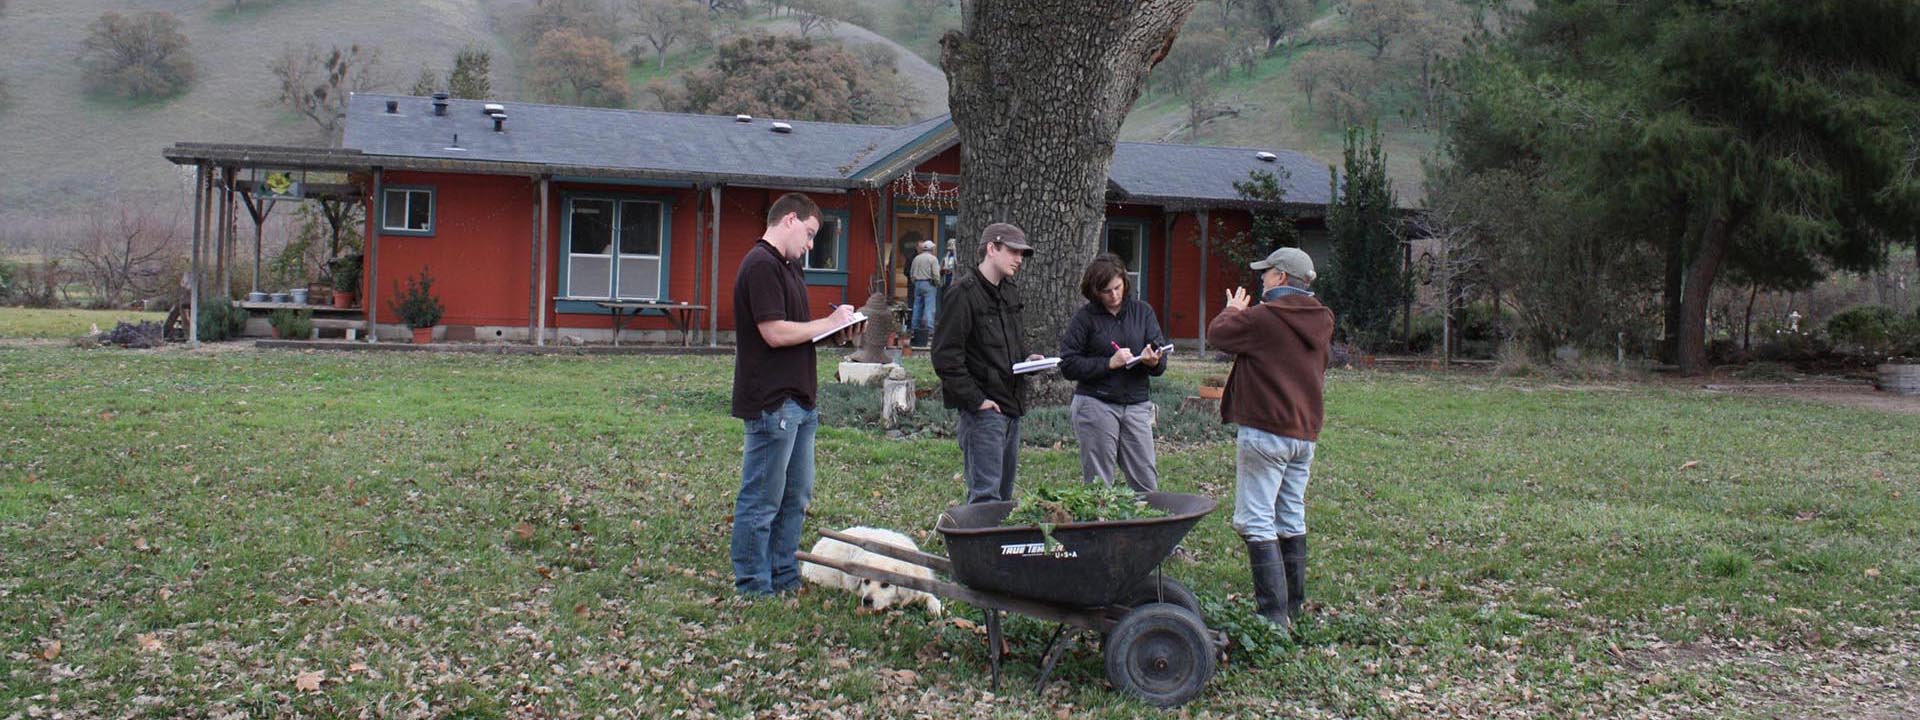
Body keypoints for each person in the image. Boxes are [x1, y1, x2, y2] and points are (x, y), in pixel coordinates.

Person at [729, 192, 859, 597]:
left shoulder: (789, 267)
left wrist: (835, 331)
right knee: (762, 499)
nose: (810, 244)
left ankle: (784, 576)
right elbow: (774, 332)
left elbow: (796, 335)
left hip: (801, 401)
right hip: (772, 401)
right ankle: (753, 584)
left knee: (795, 496)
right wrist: (826, 321)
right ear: (788, 219)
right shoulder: (761, 265)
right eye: (809, 233)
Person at [1207, 247, 1333, 630]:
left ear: (1280, 277)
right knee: (1290, 516)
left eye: (1266, 273)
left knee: (1256, 520)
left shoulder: (1264, 318)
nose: (1261, 278)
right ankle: (1293, 608)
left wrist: (1233, 309)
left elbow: (1218, 335)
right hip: (1304, 433)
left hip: (1265, 432)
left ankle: (1272, 618)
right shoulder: (1323, 319)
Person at [932, 222, 1042, 504]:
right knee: (985, 501)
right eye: (1013, 251)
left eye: (1022, 253)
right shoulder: (962, 294)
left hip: (1011, 408)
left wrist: (1027, 359)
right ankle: (977, 549)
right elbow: (945, 356)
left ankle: (996, 549)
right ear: (992, 249)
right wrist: (977, 400)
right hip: (984, 414)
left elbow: (1012, 344)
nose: (1019, 259)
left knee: (1004, 500)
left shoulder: (1010, 292)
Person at [1058, 254, 1169, 493]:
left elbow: (1160, 363)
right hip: (1096, 403)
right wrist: (1108, 363)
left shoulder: (1143, 312)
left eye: (1117, 288)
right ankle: (1099, 527)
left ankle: (1146, 529)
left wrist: (1152, 361)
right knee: (1099, 483)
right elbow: (1068, 365)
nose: (1114, 295)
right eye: (1106, 291)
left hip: (1136, 403)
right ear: (1094, 291)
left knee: (1146, 481)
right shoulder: (1085, 318)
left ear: (1125, 283)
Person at [908, 237, 940, 347]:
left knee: (917, 306)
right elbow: (936, 274)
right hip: (929, 283)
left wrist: (915, 282)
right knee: (929, 307)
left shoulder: (916, 258)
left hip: (917, 283)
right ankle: (930, 329)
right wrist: (937, 283)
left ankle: (914, 328)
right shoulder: (933, 259)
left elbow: (911, 273)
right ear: (931, 249)